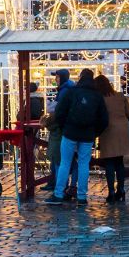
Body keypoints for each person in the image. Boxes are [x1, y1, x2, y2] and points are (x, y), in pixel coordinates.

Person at [45, 69, 108, 207]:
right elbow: (104, 119)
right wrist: (94, 133)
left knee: (65, 163)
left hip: (70, 132)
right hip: (87, 134)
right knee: (83, 164)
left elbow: (60, 112)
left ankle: (58, 194)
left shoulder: (72, 92)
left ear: (80, 78)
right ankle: (82, 196)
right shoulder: (97, 95)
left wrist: (64, 127)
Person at [94, 75, 129, 203]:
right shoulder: (120, 96)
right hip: (122, 130)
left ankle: (111, 191)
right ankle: (121, 189)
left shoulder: (100, 98)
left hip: (108, 130)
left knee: (109, 162)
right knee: (119, 162)